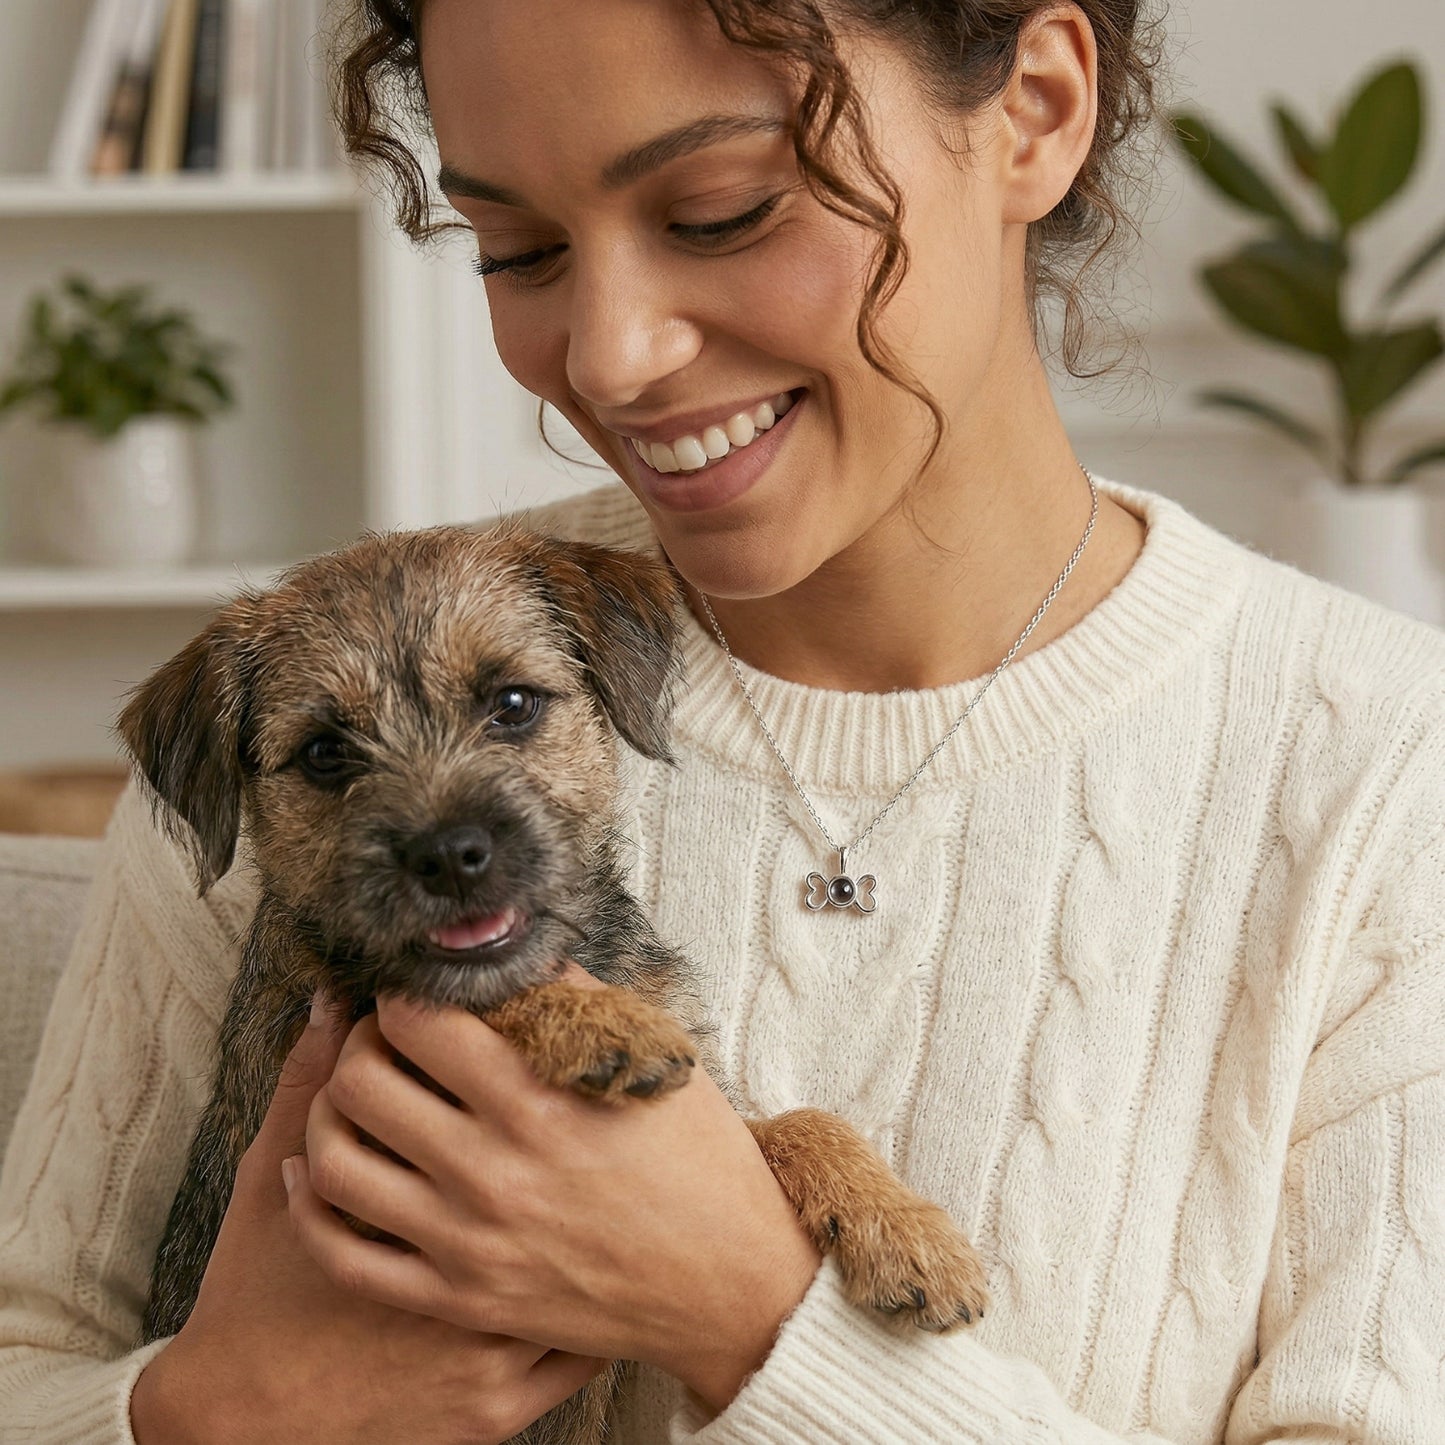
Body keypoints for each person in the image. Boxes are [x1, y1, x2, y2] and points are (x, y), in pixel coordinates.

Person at [2, 0, 1443, 1439]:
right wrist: (226, 1412)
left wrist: (746, 1315)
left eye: (720, 211)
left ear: (1036, 110)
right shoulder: (305, 720)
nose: (610, 357)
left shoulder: (1386, 771)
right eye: (518, 252)